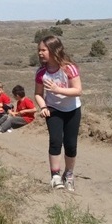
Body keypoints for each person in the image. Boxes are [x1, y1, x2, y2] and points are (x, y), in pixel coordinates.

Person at [34, 35, 82, 192]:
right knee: (55, 140)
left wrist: (57, 89)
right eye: (39, 50)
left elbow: (78, 90)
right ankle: (55, 176)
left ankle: (68, 174)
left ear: (54, 50)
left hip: (72, 110)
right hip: (53, 109)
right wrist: (43, 107)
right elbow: (38, 94)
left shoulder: (69, 68)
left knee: (70, 144)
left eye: (43, 50)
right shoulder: (41, 72)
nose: (40, 53)